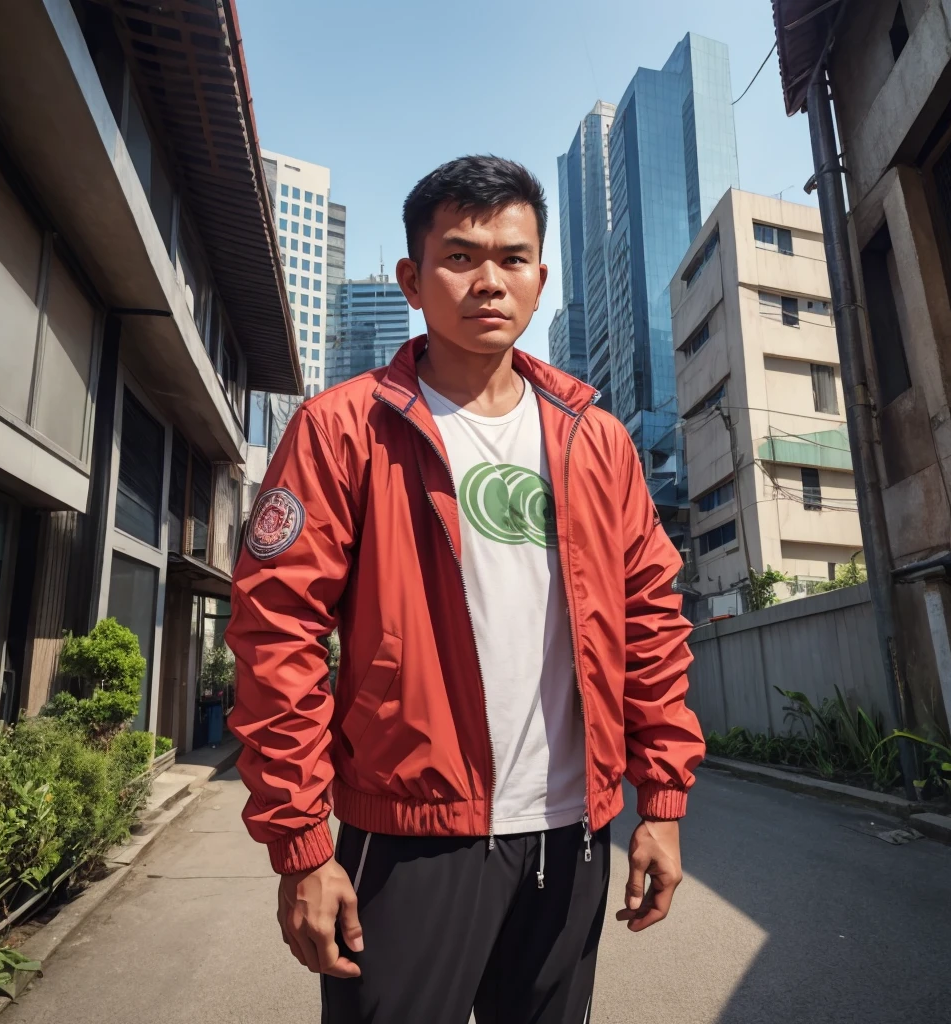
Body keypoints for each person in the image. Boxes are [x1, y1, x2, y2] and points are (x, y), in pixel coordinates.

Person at [226, 155, 705, 1024]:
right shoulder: (344, 429)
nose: (490, 280)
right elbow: (276, 633)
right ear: (412, 278)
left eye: (513, 258)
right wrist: (301, 845)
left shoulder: (594, 440)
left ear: (541, 279)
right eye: (460, 256)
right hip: (407, 837)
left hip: (572, 834)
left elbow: (652, 622)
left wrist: (661, 801)